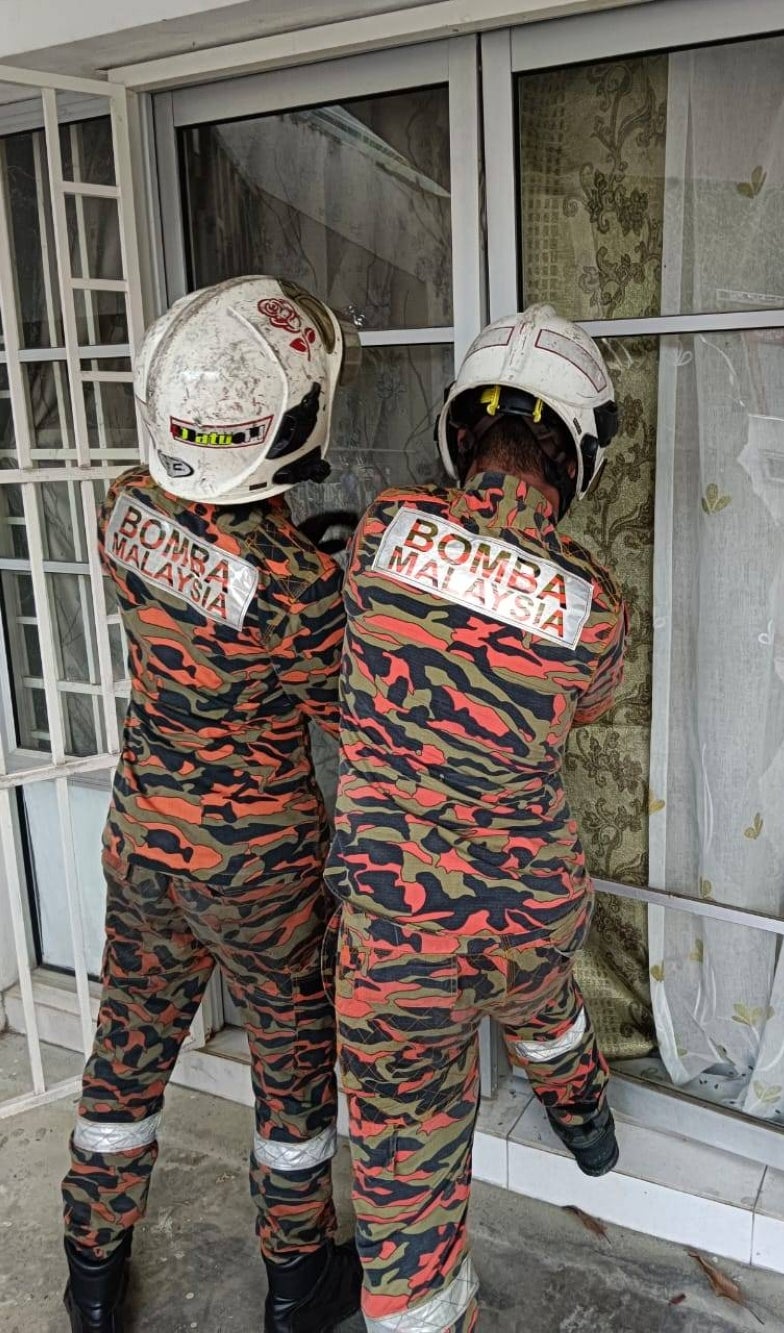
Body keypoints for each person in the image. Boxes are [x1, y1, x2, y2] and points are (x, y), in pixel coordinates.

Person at [61, 276, 363, 1333]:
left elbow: (199, 577)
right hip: (262, 874)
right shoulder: (300, 589)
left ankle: (91, 1279)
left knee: (125, 1060)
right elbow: (348, 708)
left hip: (143, 841)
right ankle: (296, 1283)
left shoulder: (120, 506)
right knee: (291, 1077)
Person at [326, 304, 627, 1332]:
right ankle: (589, 1130)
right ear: (575, 453)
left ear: (463, 429)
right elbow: (588, 701)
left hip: (398, 939)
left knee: (406, 1175)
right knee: (543, 1004)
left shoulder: (382, 528)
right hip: (527, 906)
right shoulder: (596, 601)